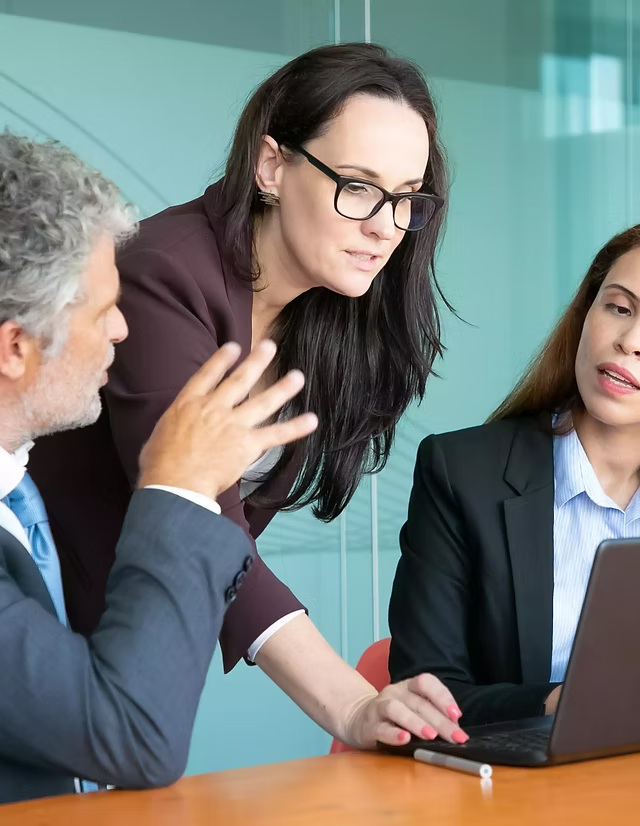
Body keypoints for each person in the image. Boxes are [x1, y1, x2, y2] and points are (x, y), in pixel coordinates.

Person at [29, 42, 467, 747]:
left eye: (405, 198)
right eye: (357, 186)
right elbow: (201, 512)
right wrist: (351, 704)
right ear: (271, 166)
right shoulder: (164, 276)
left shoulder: (325, 310)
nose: (386, 225)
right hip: (43, 642)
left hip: (135, 646)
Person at [0, 130, 319, 803]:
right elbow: (135, 734)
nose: (122, 330)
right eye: (103, 309)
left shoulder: (17, 491)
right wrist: (178, 483)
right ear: (16, 347)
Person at [389, 224, 640, 727]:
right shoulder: (462, 475)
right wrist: (558, 704)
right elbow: (426, 693)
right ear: (586, 314)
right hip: (508, 792)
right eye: (619, 308)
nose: (630, 342)